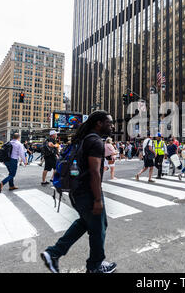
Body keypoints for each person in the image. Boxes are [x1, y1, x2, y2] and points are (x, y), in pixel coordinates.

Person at [41, 111, 117, 274]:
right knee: (98, 228)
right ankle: (94, 266)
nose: (112, 126)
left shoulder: (84, 138)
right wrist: (97, 200)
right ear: (99, 123)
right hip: (87, 192)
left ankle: (53, 253)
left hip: (77, 191)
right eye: (109, 123)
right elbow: (95, 172)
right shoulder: (95, 141)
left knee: (88, 222)